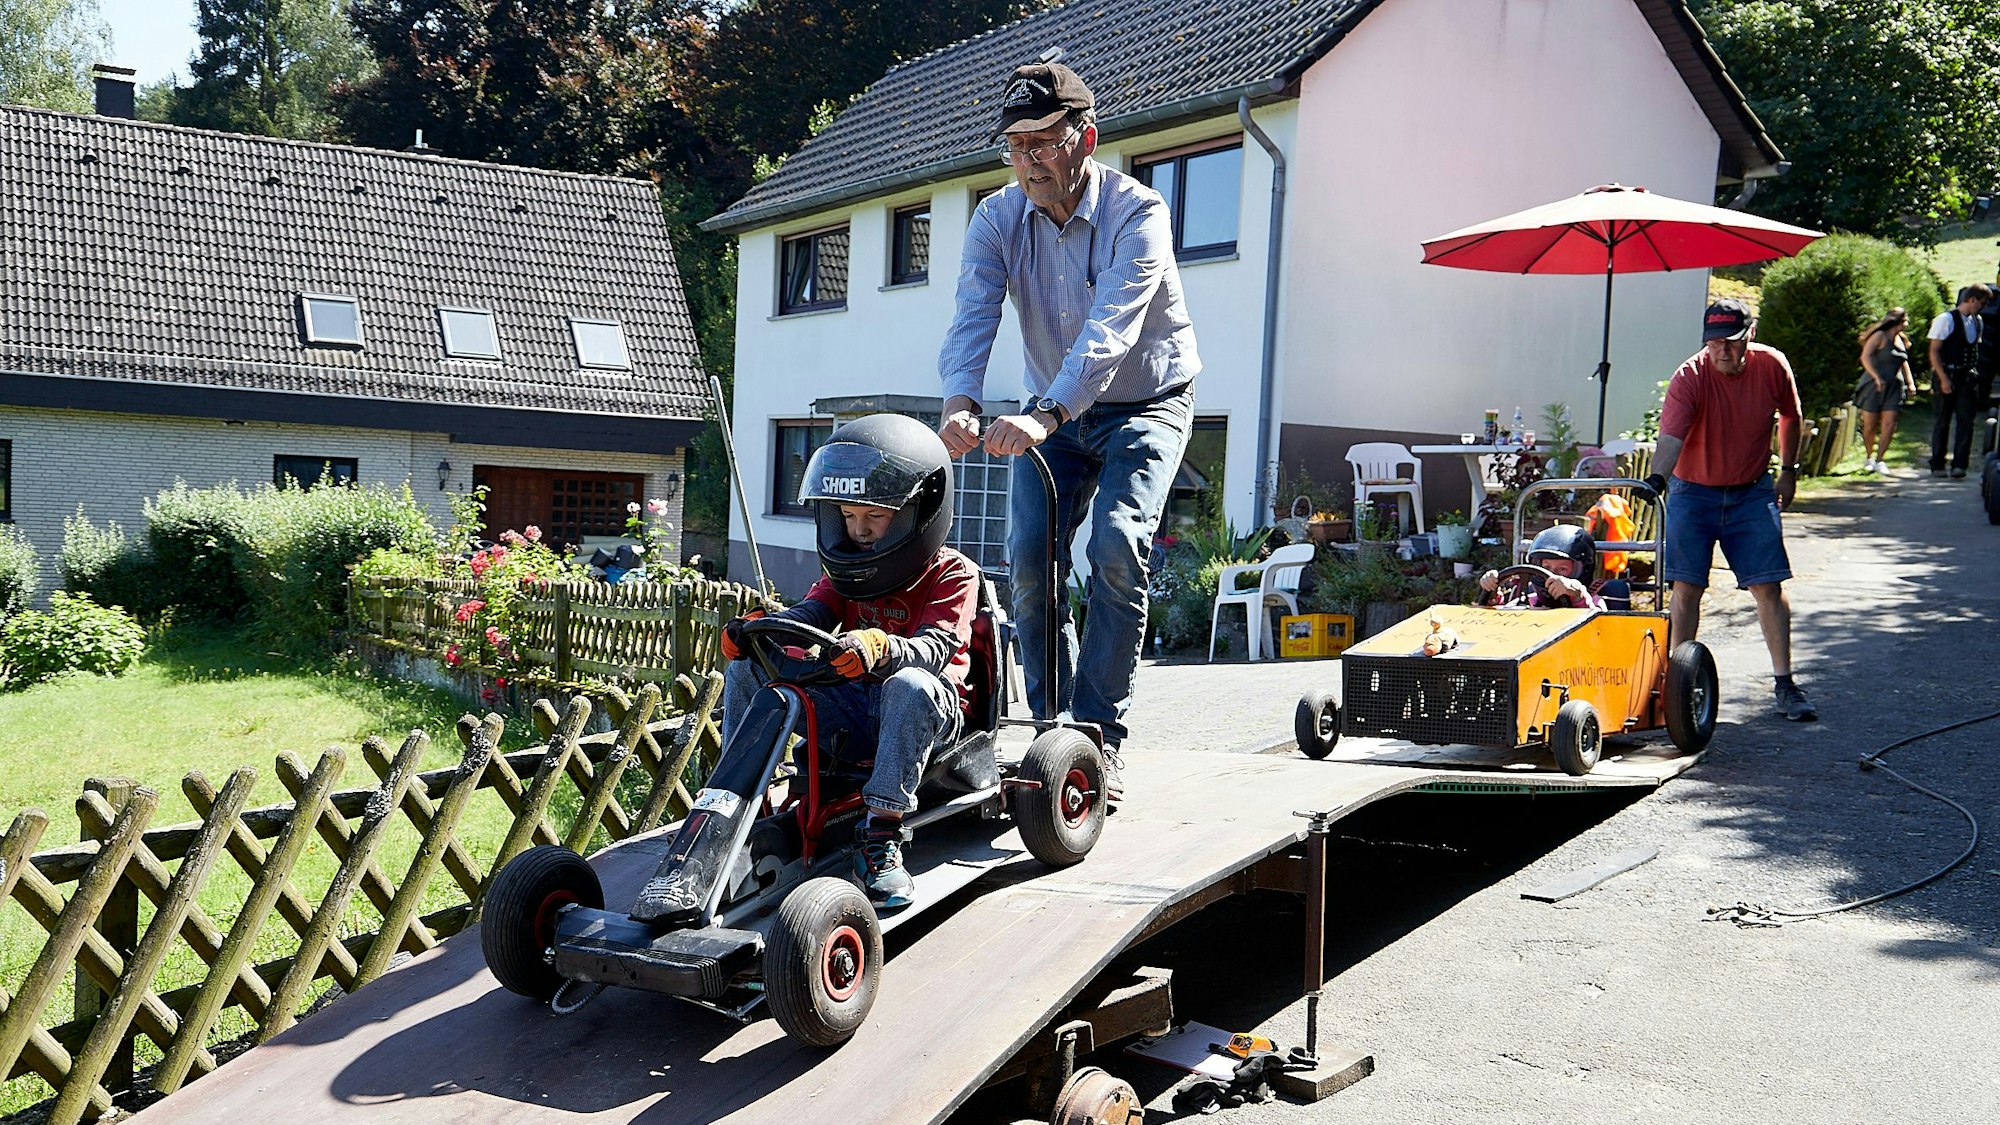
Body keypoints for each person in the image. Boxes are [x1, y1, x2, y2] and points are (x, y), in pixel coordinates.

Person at [936, 61, 1199, 802]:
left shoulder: (1138, 212)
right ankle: (1056, 730)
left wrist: (1044, 414)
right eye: (1015, 146)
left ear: (1086, 138)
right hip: (1050, 406)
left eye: (1043, 143)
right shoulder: (996, 219)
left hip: (1146, 400)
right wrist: (960, 399)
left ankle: (1100, 737)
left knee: (1116, 544)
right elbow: (972, 316)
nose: (1028, 161)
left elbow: (1110, 332)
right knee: (1027, 557)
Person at [717, 415, 979, 909]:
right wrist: (755, 633)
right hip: (856, 704)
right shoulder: (845, 572)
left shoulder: (955, 573)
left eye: (874, 518)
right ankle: (727, 811)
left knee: (909, 685)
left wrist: (881, 646)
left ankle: (882, 835)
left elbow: (936, 649)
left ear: (914, 515)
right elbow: (808, 614)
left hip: (931, 712)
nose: (858, 531)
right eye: (849, 516)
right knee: (745, 669)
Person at [1643, 298, 1815, 722]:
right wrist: (1657, 479)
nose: (1722, 351)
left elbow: (1791, 416)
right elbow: (1670, 438)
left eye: (1731, 342)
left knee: (1768, 586)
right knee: (1686, 588)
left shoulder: (1772, 366)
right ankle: (1677, 687)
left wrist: (1789, 470)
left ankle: (1785, 684)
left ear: (1749, 335)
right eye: (1714, 342)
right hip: (1692, 491)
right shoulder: (1690, 377)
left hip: (1751, 490)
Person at [1926, 283, 1992, 479]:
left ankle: (1959, 464)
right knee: (1942, 421)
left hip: (1967, 377)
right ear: (1971, 300)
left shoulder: (1977, 321)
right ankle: (1938, 463)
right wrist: (1943, 378)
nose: (1983, 307)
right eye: (1982, 302)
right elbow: (1934, 351)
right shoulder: (1946, 319)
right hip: (1947, 373)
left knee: (1966, 421)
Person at [1476, 525, 1621, 610]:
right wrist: (1493, 595)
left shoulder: (1595, 602)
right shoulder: (1529, 600)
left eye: (1562, 569)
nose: (1552, 575)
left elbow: (1593, 630)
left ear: (1581, 570)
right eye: (1546, 567)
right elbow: (1499, 623)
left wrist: (1577, 595)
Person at [1854, 308, 1915, 473]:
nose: (1907, 324)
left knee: (1890, 423)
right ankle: (1869, 457)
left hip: (1894, 386)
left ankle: (1880, 459)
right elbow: (1865, 357)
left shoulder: (1900, 339)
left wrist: (1910, 383)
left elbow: (1903, 361)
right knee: (1870, 424)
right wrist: (1876, 377)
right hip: (1874, 386)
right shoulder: (1879, 336)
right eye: (1905, 321)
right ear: (1898, 321)